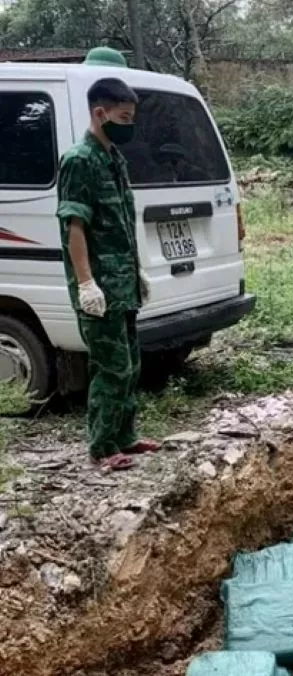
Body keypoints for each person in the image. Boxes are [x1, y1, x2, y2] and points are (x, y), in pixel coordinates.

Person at [57, 76, 160, 471]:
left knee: (130, 363)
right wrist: (86, 283)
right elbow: (75, 227)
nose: (128, 124)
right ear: (99, 113)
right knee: (110, 367)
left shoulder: (113, 157)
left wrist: (138, 273)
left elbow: (120, 223)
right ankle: (102, 447)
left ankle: (124, 436)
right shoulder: (79, 161)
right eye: (123, 116)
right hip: (99, 287)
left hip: (122, 284)